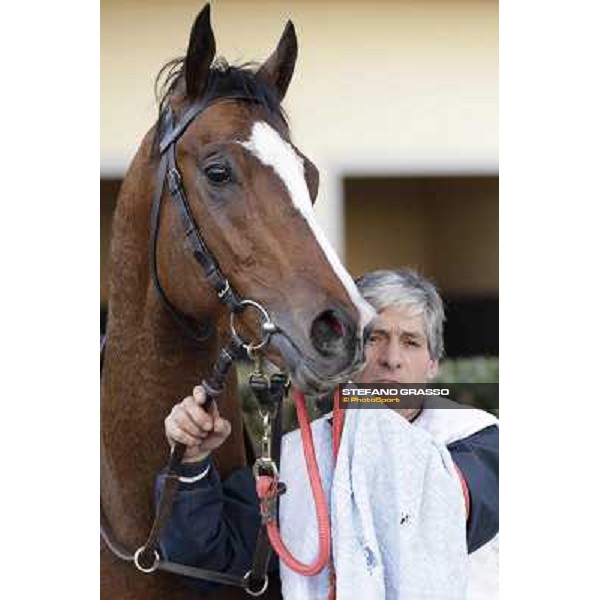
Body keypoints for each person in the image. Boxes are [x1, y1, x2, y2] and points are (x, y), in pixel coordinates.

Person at [155, 269, 499, 596]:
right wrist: (192, 464)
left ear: (432, 364)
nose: (392, 359)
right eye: (373, 338)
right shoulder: (294, 455)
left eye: (410, 342)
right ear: (343, 354)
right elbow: (208, 556)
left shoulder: (483, 440)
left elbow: (435, 519)